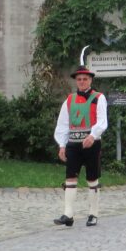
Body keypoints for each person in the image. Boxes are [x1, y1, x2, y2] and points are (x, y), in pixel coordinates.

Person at [53, 62, 108, 227]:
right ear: (76, 81)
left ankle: (93, 214)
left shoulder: (99, 98)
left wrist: (93, 135)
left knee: (92, 178)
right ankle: (68, 214)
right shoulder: (69, 100)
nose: (82, 81)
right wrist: (62, 145)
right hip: (73, 145)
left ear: (90, 80)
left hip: (92, 144)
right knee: (70, 177)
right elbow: (62, 124)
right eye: (79, 79)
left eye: (85, 79)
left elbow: (102, 121)